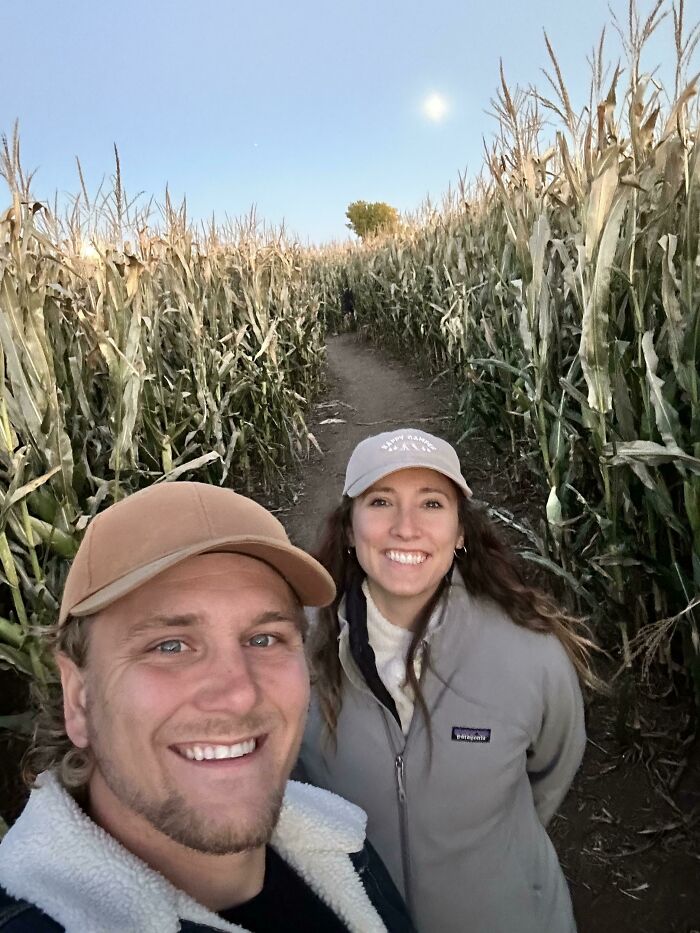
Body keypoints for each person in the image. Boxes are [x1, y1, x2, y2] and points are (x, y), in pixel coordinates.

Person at [0, 482, 415, 933]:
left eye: (264, 639)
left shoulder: (345, 848)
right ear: (78, 697)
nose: (239, 693)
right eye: (170, 646)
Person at [299, 428, 592, 933]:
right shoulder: (292, 651)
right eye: (381, 502)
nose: (406, 528)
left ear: (460, 533)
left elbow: (552, 769)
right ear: (349, 529)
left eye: (431, 503)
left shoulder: (530, 652)